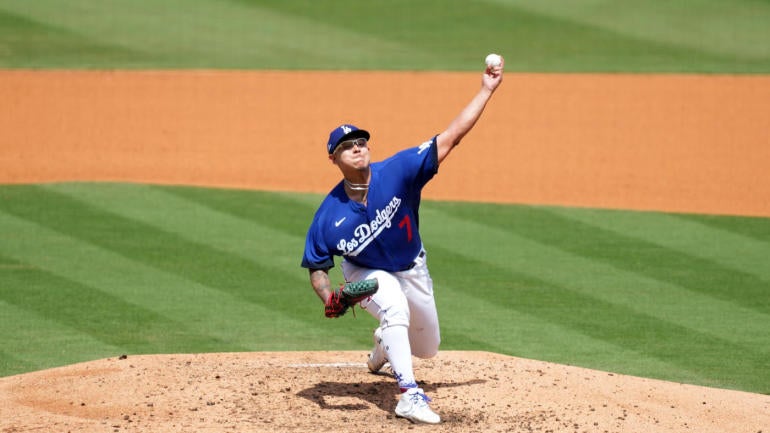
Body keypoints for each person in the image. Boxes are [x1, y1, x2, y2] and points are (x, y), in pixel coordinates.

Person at [300, 57, 504, 424]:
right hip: (367, 273)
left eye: (362, 142)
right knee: (391, 301)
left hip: (414, 266)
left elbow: (452, 135)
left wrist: (486, 90)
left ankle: (383, 344)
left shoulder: (398, 170)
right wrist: (329, 297)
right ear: (334, 159)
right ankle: (408, 396)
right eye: (348, 146)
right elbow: (317, 266)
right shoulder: (328, 216)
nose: (358, 148)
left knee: (427, 348)